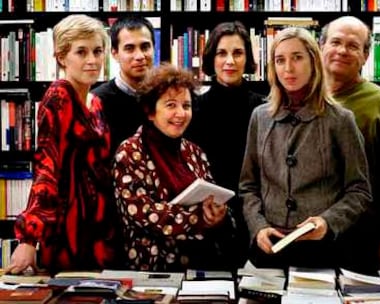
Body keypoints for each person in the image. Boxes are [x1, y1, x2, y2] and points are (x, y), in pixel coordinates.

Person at [239, 26, 372, 269]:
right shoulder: (260, 117)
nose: (288, 68)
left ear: (313, 62)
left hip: (322, 252)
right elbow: (248, 186)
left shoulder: (340, 120)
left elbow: (359, 191)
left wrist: (327, 222)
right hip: (268, 251)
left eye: (297, 58)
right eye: (280, 60)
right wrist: (258, 227)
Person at [5, 14, 120, 274]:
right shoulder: (58, 96)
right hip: (70, 226)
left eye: (97, 51)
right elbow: (47, 166)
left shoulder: (96, 102)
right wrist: (28, 237)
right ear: (61, 57)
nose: (92, 60)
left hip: (101, 226)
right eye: (81, 52)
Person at [112, 63, 237, 271]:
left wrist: (219, 216)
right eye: (171, 105)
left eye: (186, 106)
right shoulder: (129, 152)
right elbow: (143, 213)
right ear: (150, 111)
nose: (181, 113)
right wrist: (201, 219)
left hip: (201, 267)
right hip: (153, 270)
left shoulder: (194, 151)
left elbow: (214, 199)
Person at [320, 16, 380, 273]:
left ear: (365, 55)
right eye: (336, 42)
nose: (341, 50)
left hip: (362, 237)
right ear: (321, 47)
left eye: (352, 46)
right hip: (311, 236)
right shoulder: (301, 98)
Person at [186, 21, 265, 269]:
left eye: (237, 53)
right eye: (222, 53)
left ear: (248, 59)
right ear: (211, 58)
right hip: (207, 213)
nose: (229, 61)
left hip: (255, 215)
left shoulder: (263, 109)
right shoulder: (193, 108)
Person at [92, 15, 155, 156]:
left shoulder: (166, 96)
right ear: (114, 53)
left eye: (145, 47)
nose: (139, 56)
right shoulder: (97, 102)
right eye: (129, 48)